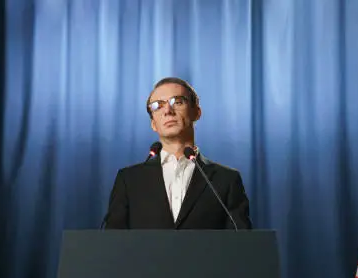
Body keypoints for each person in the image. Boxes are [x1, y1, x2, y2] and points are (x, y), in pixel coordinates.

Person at [103, 77, 252, 229]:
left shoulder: (226, 180)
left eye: (178, 102)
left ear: (197, 112)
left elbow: (242, 245)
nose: (168, 111)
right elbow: (113, 244)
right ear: (153, 124)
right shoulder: (128, 180)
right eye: (158, 106)